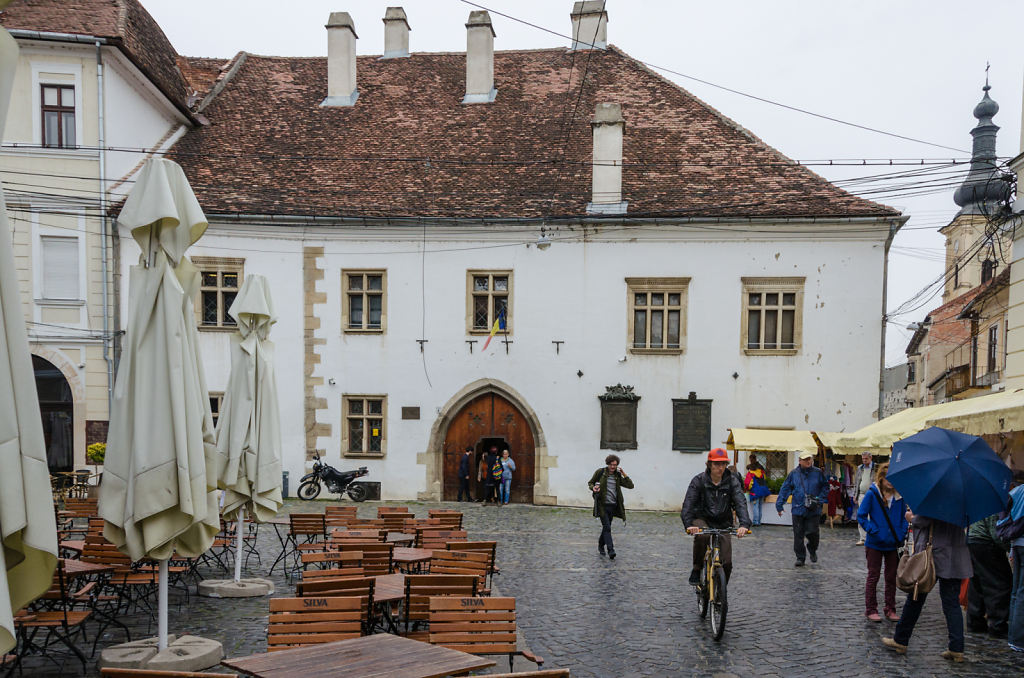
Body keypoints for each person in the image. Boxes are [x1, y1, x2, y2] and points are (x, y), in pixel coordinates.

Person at [883, 511, 973, 662]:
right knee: (952, 604)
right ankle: (956, 649)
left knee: (915, 597)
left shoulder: (938, 496)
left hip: (934, 555)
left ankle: (901, 639)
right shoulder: (962, 502)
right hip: (955, 556)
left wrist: (911, 517)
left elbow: (925, 520)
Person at [682, 448, 752, 584]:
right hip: (702, 518)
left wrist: (744, 524)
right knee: (703, 536)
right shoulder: (699, 480)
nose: (720, 468)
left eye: (723, 464)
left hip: (723, 521)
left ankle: (721, 591)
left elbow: (740, 502)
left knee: (727, 562)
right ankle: (697, 568)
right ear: (709, 464)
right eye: (716, 464)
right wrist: (689, 524)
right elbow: (688, 504)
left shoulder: (732, 481)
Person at [856, 462, 908, 622]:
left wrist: (901, 532)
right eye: (887, 479)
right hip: (875, 543)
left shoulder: (900, 496)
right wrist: (873, 530)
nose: (890, 482)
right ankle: (871, 609)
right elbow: (861, 515)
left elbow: (903, 517)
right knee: (873, 576)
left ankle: (890, 608)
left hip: (893, 543)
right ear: (881, 478)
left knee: (891, 577)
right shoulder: (873, 494)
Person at [775, 451, 828, 567]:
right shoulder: (793, 474)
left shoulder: (818, 473)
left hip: (813, 509)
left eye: (810, 459)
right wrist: (779, 505)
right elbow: (785, 489)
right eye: (805, 459)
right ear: (800, 461)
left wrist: (820, 499)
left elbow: (825, 487)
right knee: (798, 535)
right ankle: (800, 557)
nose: (808, 461)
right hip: (798, 508)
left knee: (813, 533)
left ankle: (812, 548)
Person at [966, 513, 1010, 637]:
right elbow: (995, 533)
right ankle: (997, 625)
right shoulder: (993, 504)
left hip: (972, 540)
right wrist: (1009, 549)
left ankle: (975, 622)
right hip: (985, 543)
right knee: (999, 584)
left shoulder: (981, 501)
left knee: (977, 583)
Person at [587, 454, 634, 560]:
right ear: (608, 464)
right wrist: (593, 488)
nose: (613, 467)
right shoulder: (600, 472)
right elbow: (590, 483)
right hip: (602, 505)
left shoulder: (617, 476)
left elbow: (630, 486)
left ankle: (600, 545)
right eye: (611, 464)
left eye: (615, 465)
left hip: (613, 506)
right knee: (607, 528)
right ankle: (611, 550)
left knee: (606, 528)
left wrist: (624, 474)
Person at [853, 452, 875, 545]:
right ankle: (863, 538)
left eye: (866, 459)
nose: (864, 460)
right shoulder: (860, 468)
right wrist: (855, 494)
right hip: (861, 494)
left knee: (873, 515)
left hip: (873, 494)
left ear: (870, 458)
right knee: (861, 515)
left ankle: (872, 536)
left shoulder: (875, 468)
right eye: (863, 459)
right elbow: (857, 481)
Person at [743, 459, 768, 526]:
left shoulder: (750, 473)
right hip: (763, 491)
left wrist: (749, 489)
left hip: (755, 491)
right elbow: (765, 480)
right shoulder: (762, 473)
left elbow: (747, 483)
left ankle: (755, 521)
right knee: (760, 506)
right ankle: (759, 521)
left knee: (755, 506)